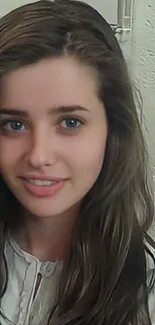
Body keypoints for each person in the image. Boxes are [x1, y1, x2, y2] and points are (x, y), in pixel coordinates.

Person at [0, 0, 154, 324]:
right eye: (14, 124)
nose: (39, 156)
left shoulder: (146, 292)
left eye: (70, 122)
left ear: (113, 129)